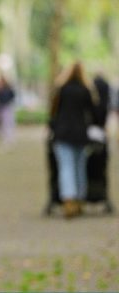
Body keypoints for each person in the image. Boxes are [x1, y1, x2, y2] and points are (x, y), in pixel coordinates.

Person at [49, 61, 98, 218]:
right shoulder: (86, 90)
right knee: (79, 167)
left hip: (63, 134)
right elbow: (93, 112)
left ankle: (69, 200)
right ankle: (80, 199)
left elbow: (54, 111)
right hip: (81, 135)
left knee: (66, 167)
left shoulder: (62, 89)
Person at [0, 74, 16, 149]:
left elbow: (12, 96)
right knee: (1, 124)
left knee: (7, 123)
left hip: (7, 107)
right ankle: (5, 139)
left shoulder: (8, 89)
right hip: (1, 108)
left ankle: (8, 139)